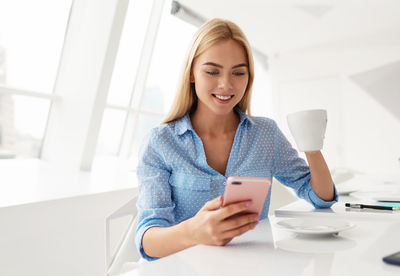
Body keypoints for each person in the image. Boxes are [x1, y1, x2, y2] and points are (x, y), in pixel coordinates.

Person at [135, 18, 337, 261]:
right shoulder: (161, 142)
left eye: (238, 73)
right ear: (191, 74)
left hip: (252, 267)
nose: (226, 85)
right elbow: (148, 243)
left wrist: (311, 145)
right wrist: (193, 232)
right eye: (212, 71)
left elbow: (319, 197)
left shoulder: (265, 133)